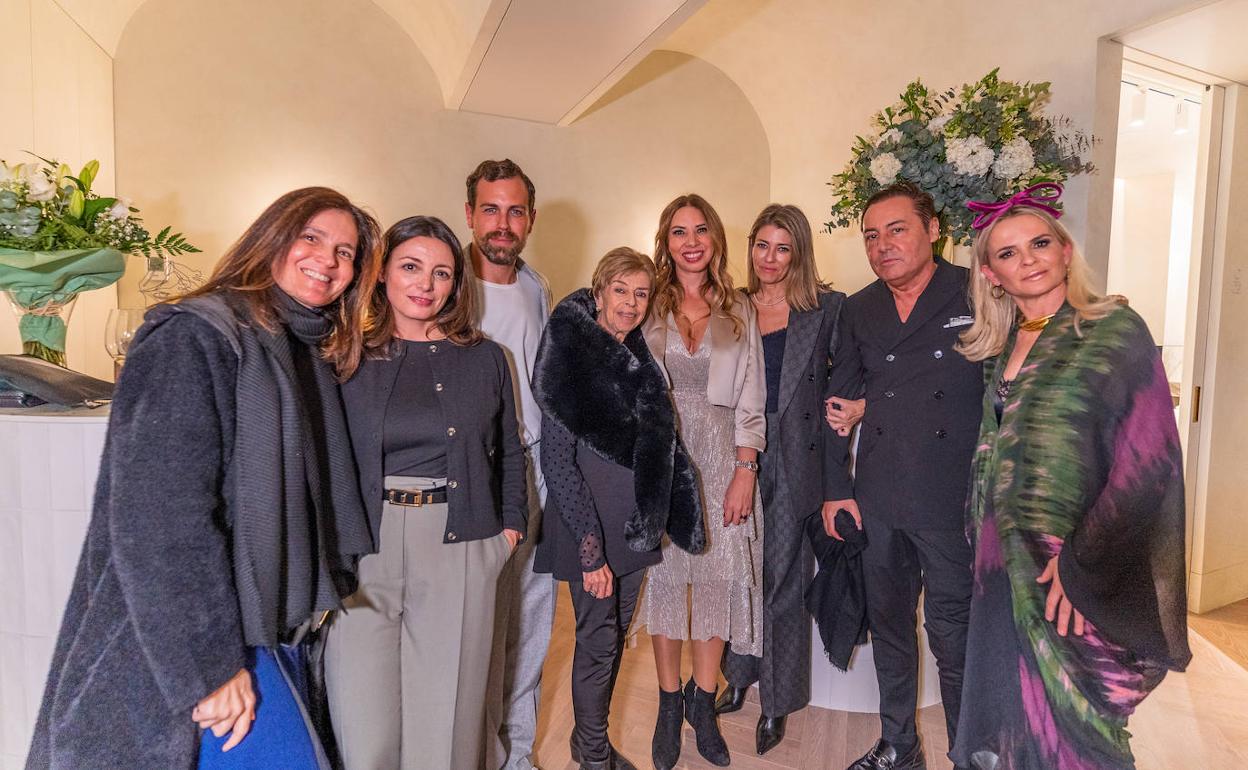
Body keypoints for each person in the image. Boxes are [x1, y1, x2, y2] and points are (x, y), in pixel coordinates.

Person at [27, 187, 382, 769]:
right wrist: (210, 669)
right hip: (195, 648)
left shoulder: (296, 350)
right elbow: (158, 518)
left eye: (346, 252)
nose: (328, 259)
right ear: (269, 239)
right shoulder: (194, 337)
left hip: (265, 631)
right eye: (311, 237)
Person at [949, 188, 1191, 770]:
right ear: (992, 275)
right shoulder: (1001, 344)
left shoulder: (1112, 330)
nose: (1028, 258)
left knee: (1078, 723)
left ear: (1064, 251)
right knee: (1010, 710)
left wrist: (1081, 564)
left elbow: (1148, 463)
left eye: (1039, 243)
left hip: (1070, 566)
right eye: (1008, 253)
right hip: (999, 564)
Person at [325, 215, 527, 770]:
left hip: (458, 542)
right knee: (364, 726)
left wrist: (506, 536)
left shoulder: (485, 358)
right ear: (382, 273)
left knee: (449, 726)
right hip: (366, 546)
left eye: (442, 273)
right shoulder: (344, 355)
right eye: (411, 267)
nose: (425, 285)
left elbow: (508, 451)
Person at [824, 181, 982, 770]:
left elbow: (1003, 391)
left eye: (897, 230)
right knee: (890, 628)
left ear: (933, 230)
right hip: (880, 496)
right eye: (871, 235)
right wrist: (837, 490)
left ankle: (969, 752)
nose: (883, 245)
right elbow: (836, 407)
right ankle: (900, 744)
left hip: (951, 500)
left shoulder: (976, 289)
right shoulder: (859, 307)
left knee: (952, 636)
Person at [532, 247, 705, 770]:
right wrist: (590, 553)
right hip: (592, 535)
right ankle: (591, 757)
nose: (630, 303)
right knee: (598, 647)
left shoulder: (636, 358)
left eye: (640, 293)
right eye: (620, 291)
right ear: (599, 290)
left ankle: (595, 747)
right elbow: (558, 463)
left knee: (612, 643)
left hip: (632, 534)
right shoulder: (572, 357)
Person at [635, 193, 765, 769]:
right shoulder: (646, 302)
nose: (690, 241)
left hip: (722, 461)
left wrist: (745, 470)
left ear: (715, 239)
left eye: (700, 230)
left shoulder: (740, 308)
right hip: (662, 458)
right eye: (679, 232)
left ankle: (702, 702)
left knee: (715, 582)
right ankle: (668, 704)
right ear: (665, 241)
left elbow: (752, 401)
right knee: (665, 583)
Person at [714, 204, 847, 756]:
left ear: (799, 253)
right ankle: (739, 674)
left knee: (784, 580)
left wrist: (856, 406)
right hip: (734, 452)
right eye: (761, 245)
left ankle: (777, 701)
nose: (769, 259)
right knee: (738, 572)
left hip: (797, 458)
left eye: (782, 248)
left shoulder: (827, 309)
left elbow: (856, 372)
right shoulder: (731, 307)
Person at [465, 159, 557, 770]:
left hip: (535, 465)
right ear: (470, 214)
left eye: (514, 211)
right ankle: (476, 751)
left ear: (529, 219)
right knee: (479, 626)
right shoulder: (447, 286)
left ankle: (516, 755)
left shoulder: (537, 287)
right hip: (476, 471)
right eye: (491, 210)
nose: (503, 223)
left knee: (530, 616)